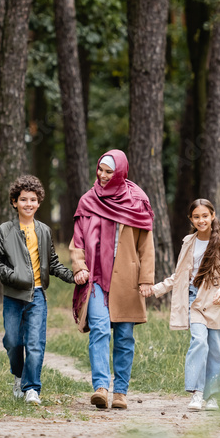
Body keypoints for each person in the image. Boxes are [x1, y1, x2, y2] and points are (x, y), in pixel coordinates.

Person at [70, 150, 155, 411]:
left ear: (120, 172)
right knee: (99, 329)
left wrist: (146, 279)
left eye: (109, 172)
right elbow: (77, 241)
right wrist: (79, 267)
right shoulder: (88, 200)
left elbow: (146, 246)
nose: (103, 176)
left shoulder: (137, 200)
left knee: (125, 336)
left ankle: (120, 392)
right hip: (96, 277)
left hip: (127, 278)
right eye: (100, 170)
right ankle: (101, 388)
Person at [0, 174, 74, 406]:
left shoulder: (44, 231)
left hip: (37, 295)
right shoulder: (5, 230)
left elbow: (52, 262)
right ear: (15, 202)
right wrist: (13, 276)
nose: (28, 204)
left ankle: (32, 388)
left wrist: (73, 277)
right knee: (13, 342)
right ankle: (18, 376)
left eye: (33, 200)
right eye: (23, 200)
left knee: (35, 343)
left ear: (39, 202)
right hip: (13, 296)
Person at [149, 198, 220, 411]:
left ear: (212, 216)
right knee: (199, 341)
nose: (201, 220)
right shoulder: (189, 241)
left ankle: (212, 395)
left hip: (216, 300)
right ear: (191, 219)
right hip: (194, 299)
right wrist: (157, 289)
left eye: (205, 215)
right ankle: (197, 393)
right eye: (196, 216)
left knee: (216, 350)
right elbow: (180, 276)